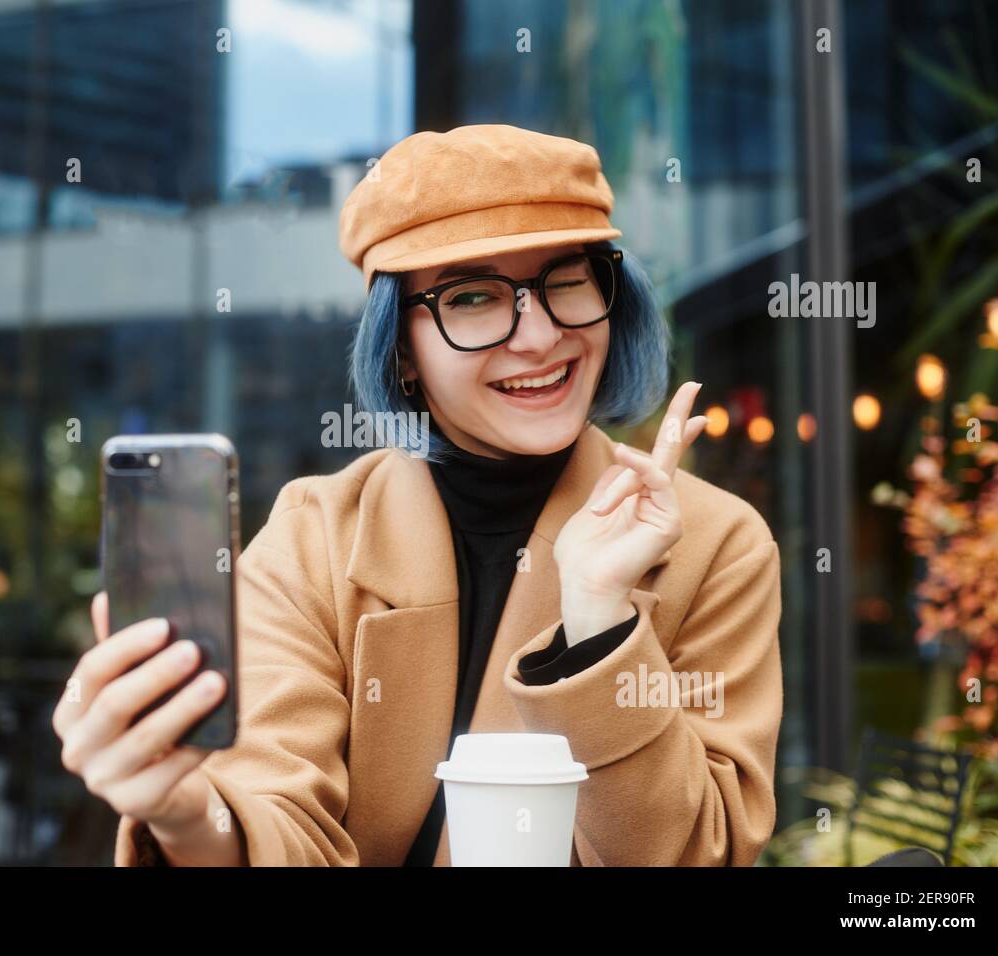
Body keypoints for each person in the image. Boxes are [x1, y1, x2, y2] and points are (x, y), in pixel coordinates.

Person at [52, 124, 783, 866]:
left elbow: (700, 853)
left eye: (565, 280)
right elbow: (277, 823)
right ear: (401, 350)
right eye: (473, 297)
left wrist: (598, 625)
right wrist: (185, 812)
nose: (537, 337)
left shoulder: (716, 542)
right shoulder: (316, 539)